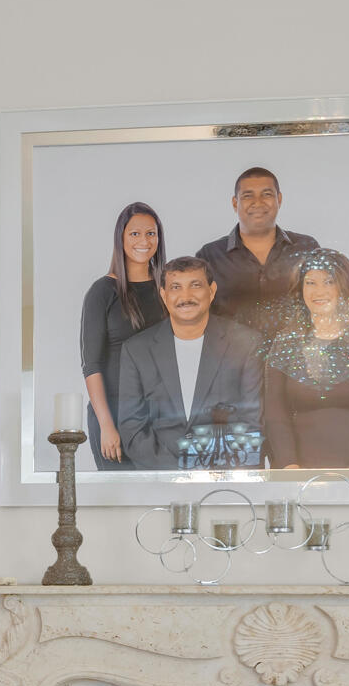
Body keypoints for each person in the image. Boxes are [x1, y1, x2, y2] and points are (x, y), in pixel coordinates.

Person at [258, 249, 349, 470]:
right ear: (300, 289)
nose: (319, 291)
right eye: (310, 283)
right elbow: (275, 413)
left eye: (329, 282)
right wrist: (289, 464)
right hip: (301, 473)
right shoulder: (285, 341)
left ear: (345, 287)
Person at [116, 257, 266, 469]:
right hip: (160, 479)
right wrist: (178, 473)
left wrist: (210, 474)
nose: (185, 297)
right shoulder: (136, 350)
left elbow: (253, 421)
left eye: (195, 285)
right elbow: (132, 428)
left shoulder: (246, 343)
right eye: (176, 287)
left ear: (212, 291)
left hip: (227, 481)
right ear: (163, 295)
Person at [76, 202, 166, 467]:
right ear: (121, 238)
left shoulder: (168, 289)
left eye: (151, 233)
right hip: (113, 415)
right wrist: (106, 424)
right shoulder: (102, 292)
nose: (144, 240)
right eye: (135, 233)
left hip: (160, 417)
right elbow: (91, 365)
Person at [197, 166, 323, 340]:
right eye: (248, 195)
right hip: (232, 362)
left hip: (296, 360)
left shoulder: (306, 248)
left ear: (279, 199)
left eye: (267, 194)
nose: (258, 202)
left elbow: (325, 303)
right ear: (235, 203)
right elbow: (198, 315)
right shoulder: (210, 256)